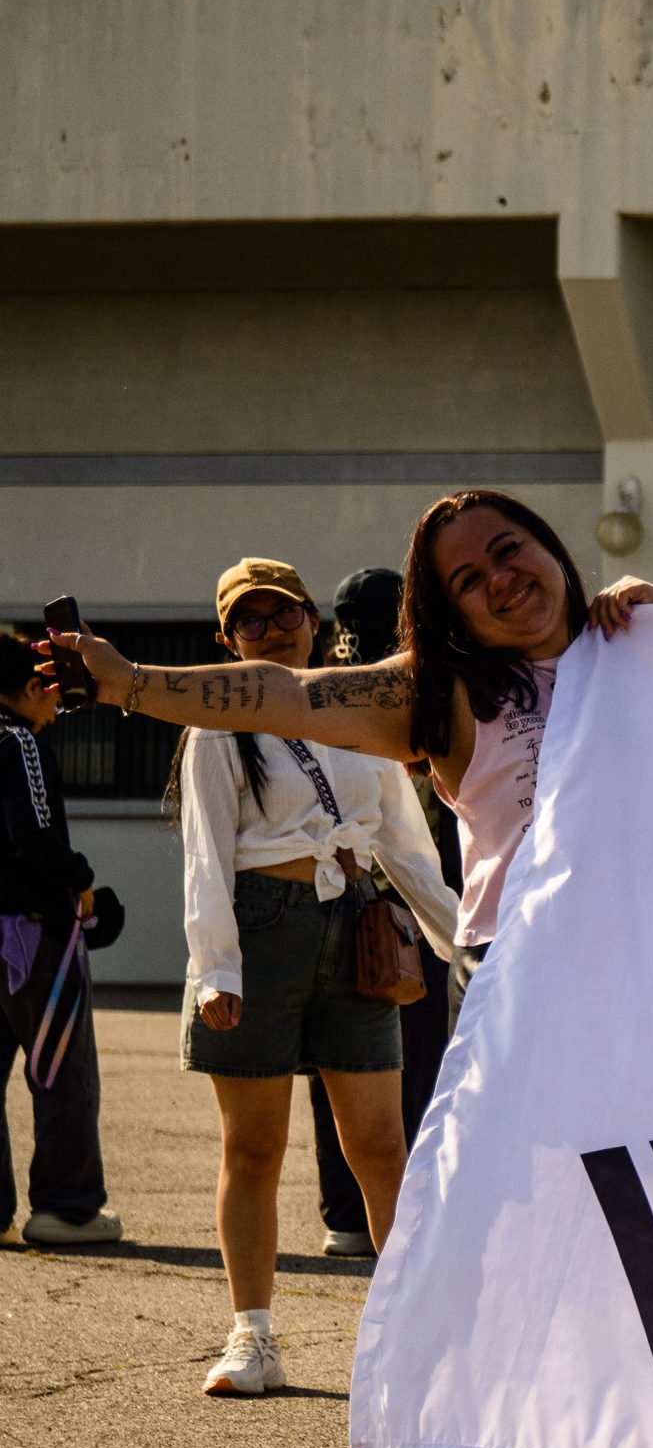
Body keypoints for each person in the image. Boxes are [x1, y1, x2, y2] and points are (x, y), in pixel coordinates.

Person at [46, 491, 653, 1448]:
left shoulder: (639, 651)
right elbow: (286, 695)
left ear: (552, 550)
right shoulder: (437, 699)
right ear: (445, 612)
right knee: (529, 1244)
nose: (497, 580)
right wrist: (133, 683)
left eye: (507, 552)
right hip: (526, 982)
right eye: (465, 580)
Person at [171, 559, 455, 1399]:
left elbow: (406, 840)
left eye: (282, 615)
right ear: (227, 639)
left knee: (380, 1145)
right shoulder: (217, 725)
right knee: (254, 1147)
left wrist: (463, 940)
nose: (270, 631)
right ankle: (251, 1337)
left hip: (361, 926)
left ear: (311, 620)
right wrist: (214, 966)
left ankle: (413, 1341)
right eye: (249, 622)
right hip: (262, 927)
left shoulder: (355, 704)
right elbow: (205, 856)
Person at [304, 563, 448, 1261]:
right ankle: (398, 1212)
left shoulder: (322, 698)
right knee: (404, 1070)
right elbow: (425, 831)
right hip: (404, 921)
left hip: (326, 905)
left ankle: (344, 1214)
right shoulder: (415, 695)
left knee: (331, 1068)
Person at [1, 630, 118, 1250]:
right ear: (28, 689)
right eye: (54, 693)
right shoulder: (18, 741)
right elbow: (37, 833)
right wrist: (83, 884)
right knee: (62, 1072)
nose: (58, 709)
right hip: (30, 934)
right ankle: (66, 1210)